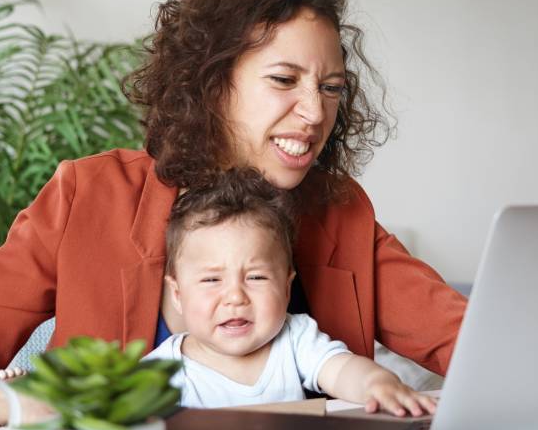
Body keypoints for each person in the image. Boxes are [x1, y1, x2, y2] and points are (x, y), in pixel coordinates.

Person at [0, 0, 466, 424]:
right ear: (212, 81)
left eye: (331, 87)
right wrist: (0, 405)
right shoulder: (88, 193)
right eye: (283, 79)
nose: (315, 110)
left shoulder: (338, 211)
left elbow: (465, 339)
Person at [147, 168, 437, 416]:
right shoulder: (161, 372)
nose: (235, 297)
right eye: (212, 280)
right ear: (177, 295)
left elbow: (341, 370)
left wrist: (377, 383)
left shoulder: (295, 338)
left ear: (286, 287)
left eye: (256, 277)